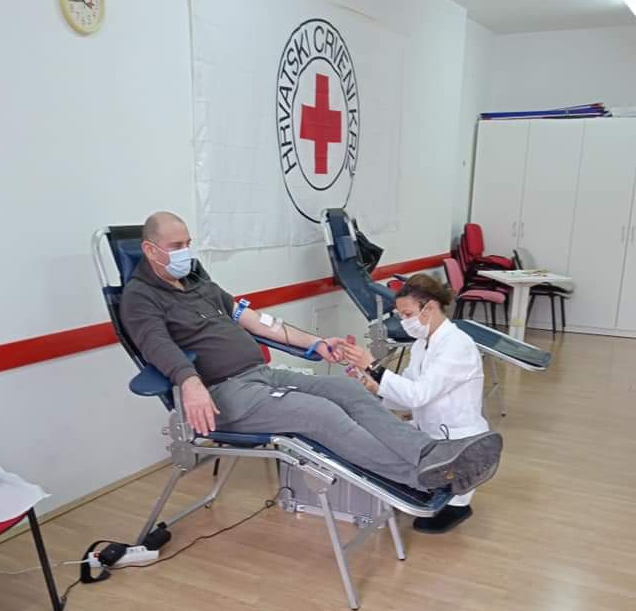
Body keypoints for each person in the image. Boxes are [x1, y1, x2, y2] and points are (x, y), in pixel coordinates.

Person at [120, 212, 502, 496]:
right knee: (320, 414)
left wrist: (315, 343)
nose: (186, 252)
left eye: (188, 243)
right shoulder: (140, 298)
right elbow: (157, 346)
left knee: (348, 391)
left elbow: (257, 321)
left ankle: (431, 453)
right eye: (176, 247)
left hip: (260, 376)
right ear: (150, 250)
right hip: (223, 394)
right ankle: (420, 478)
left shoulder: (198, 282)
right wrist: (189, 382)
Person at [339, 273, 489, 533]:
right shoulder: (422, 344)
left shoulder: (457, 346)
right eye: (401, 315)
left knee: (434, 506)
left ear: (429, 308)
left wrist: (373, 367)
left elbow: (418, 395)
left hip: (457, 438)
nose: (404, 322)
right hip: (430, 433)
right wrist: (373, 385)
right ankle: (430, 487)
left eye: (407, 314)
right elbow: (406, 389)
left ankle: (458, 504)